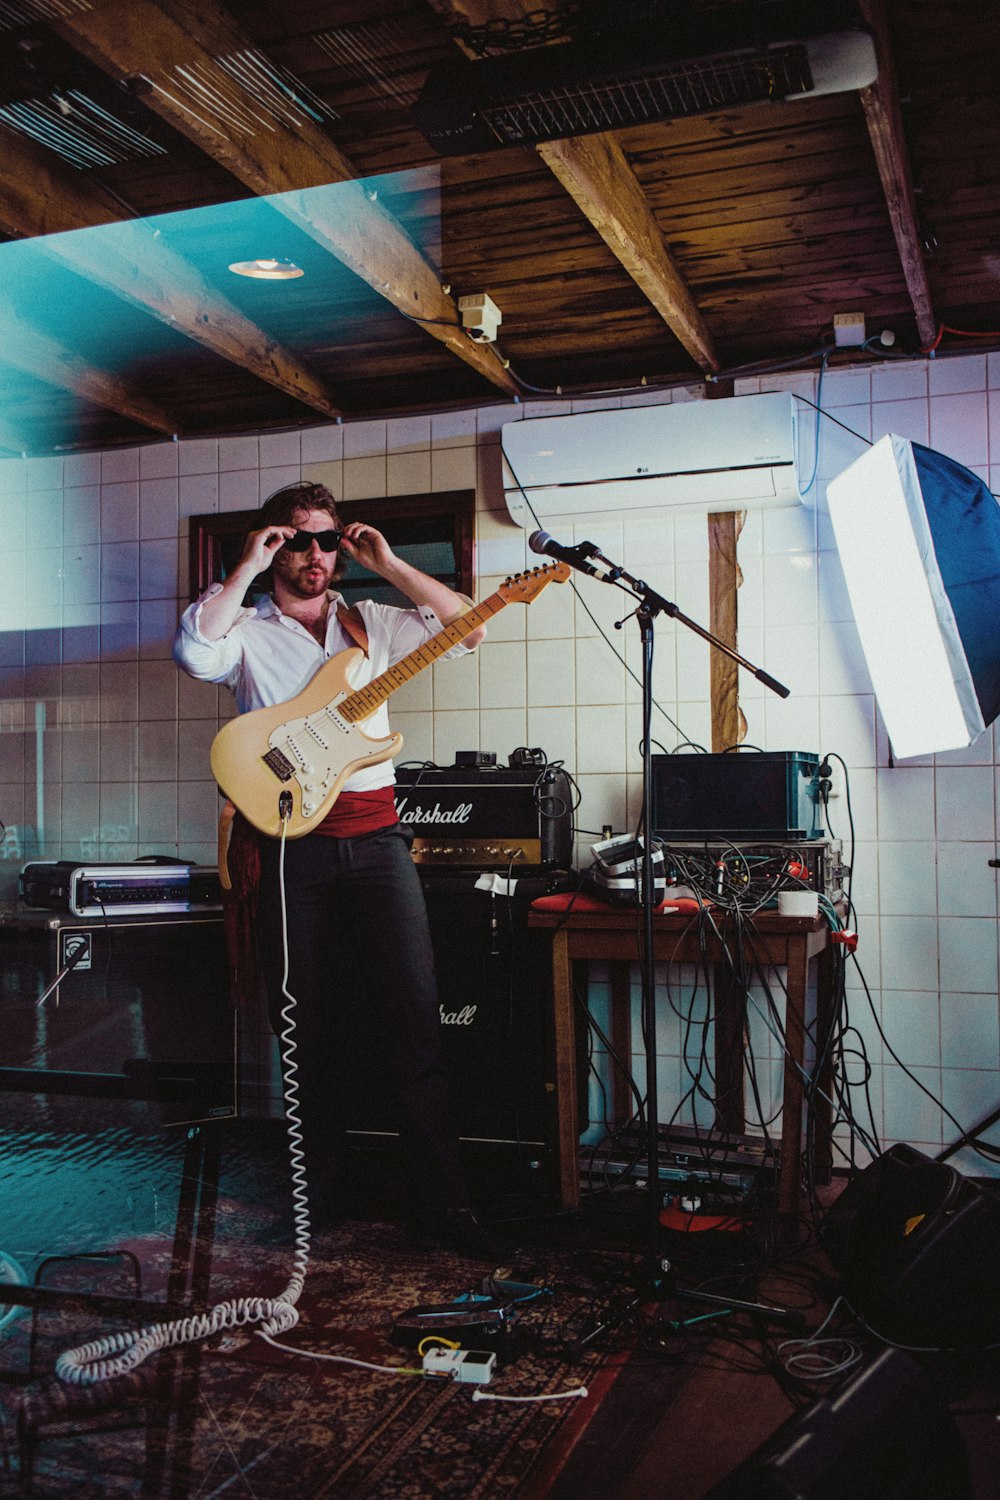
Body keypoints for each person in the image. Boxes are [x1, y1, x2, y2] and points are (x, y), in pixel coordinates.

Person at [173, 480, 499, 1256]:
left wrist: (386, 563)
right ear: (274, 544)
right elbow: (192, 653)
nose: (315, 554)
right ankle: (318, 1203)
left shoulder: (373, 622)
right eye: (297, 539)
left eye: (325, 540)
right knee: (305, 1034)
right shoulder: (244, 629)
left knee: (415, 1023)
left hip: (378, 840)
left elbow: (469, 632)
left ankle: (444, 1207)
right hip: (290, 846)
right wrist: (246, 567)